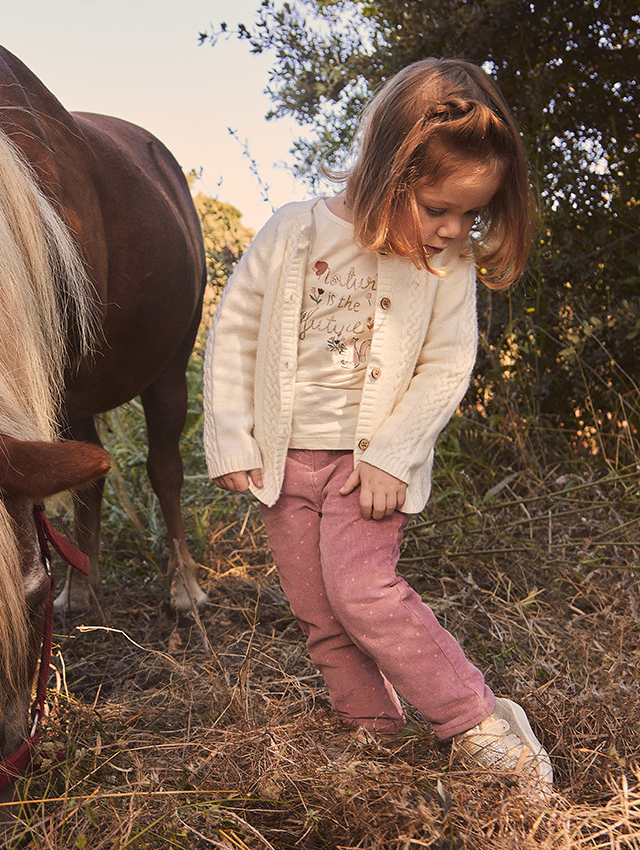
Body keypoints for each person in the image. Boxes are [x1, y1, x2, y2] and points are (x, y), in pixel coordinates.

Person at [203, 58, 553, 790]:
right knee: (319, 612)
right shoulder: (294, 232)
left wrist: (393, 454)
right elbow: (235, 332)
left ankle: (477, 722)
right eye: (438, 208)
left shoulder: (446, 264)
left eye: (473, 215)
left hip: (367, 471)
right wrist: (231, 434)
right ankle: (373, 734)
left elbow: (447, 363)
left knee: (363, 594)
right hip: (283, 464)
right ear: (387, 173)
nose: (454, 229)